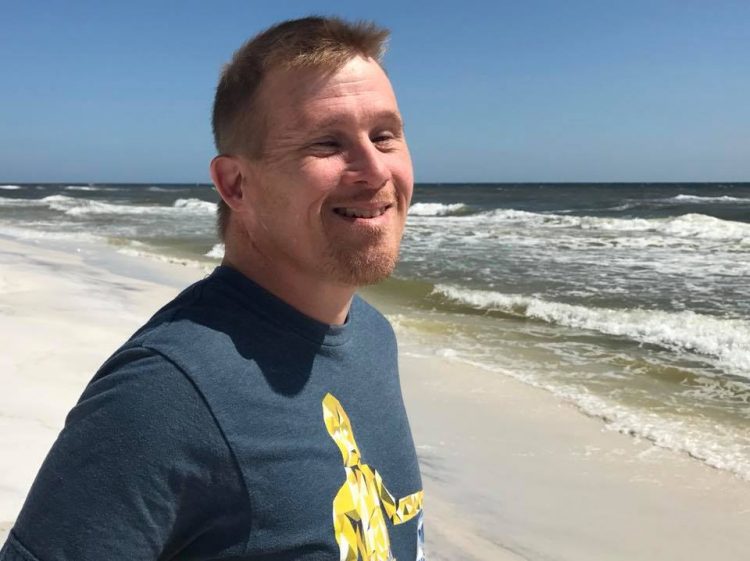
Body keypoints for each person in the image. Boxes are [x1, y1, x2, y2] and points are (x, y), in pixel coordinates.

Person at [0, 16, 424, 561]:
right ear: (235, 184)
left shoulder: (370, 336)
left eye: (385, 135)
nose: (373, 168)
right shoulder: (163, 393)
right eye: (326, 142)